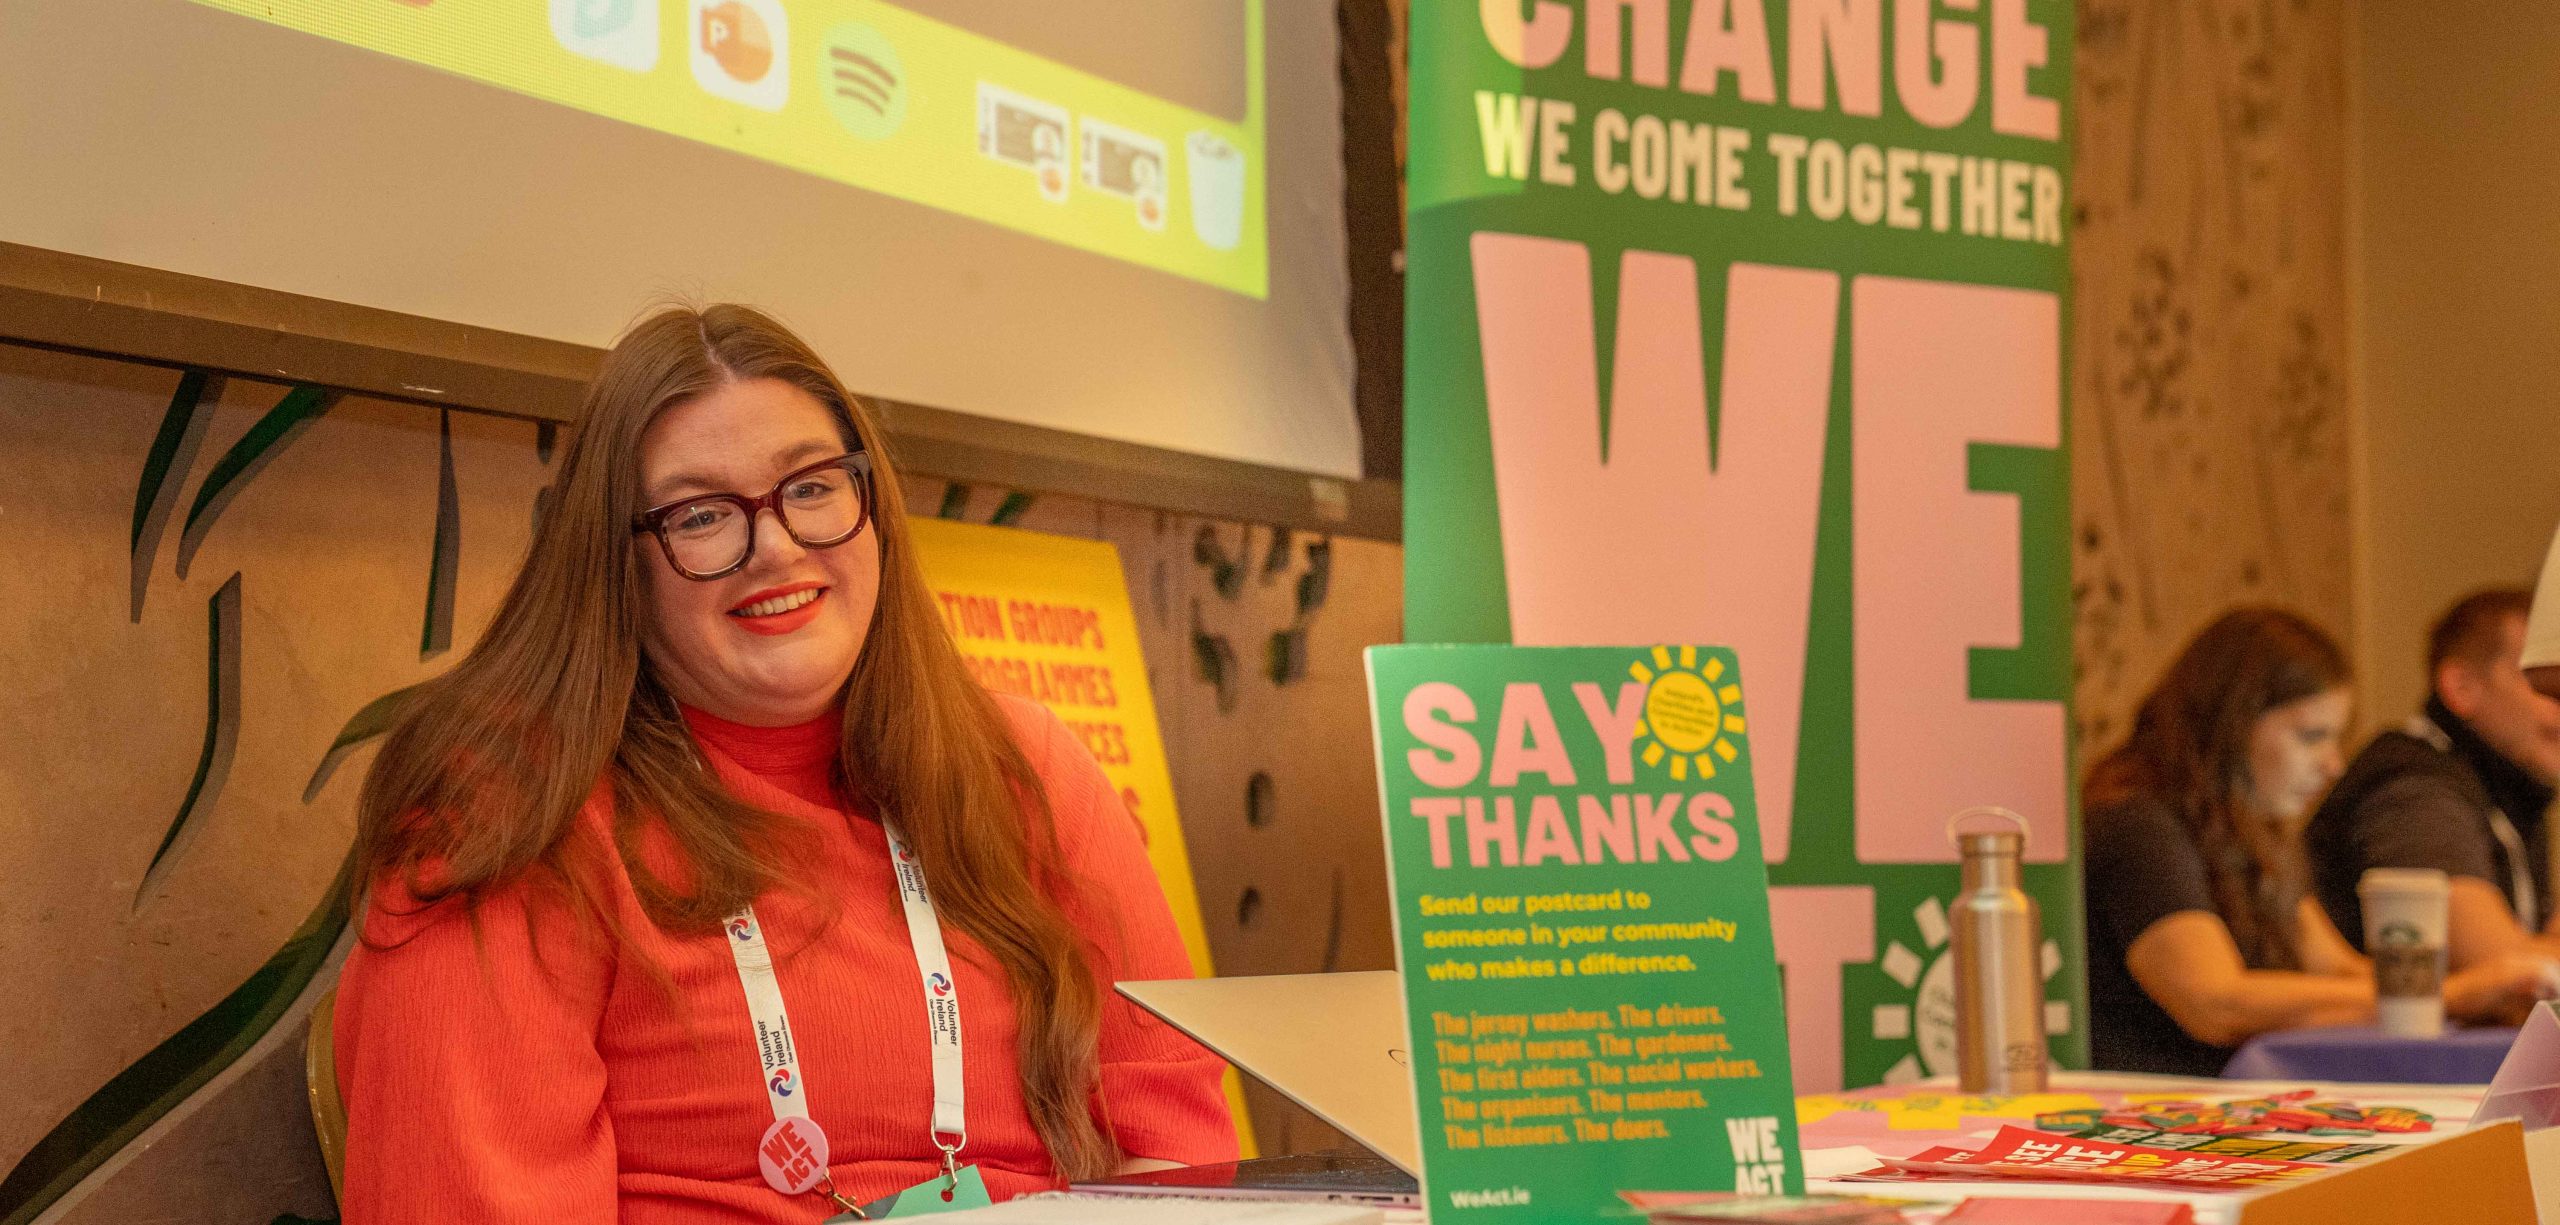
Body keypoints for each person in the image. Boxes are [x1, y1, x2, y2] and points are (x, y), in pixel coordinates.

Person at [332, 304, 1237, 1223]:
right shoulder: (508, 816)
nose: (775, 547)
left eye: (810, 488)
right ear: (618, 563)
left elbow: (1184, 1155)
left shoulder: (1027, 764)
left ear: (871, 504)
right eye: (702, 514)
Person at [2082, 608, 2542, 1076]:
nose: (2333, 765)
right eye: (2311, 737)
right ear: (2231, 726)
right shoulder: (2139, 825)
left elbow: (2336, 967)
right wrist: (2448, 996)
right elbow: (2214, 1002)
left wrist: (2475, 997)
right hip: (2150, 1121)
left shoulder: (2246, 831)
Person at [2307, 590, 2560, 977]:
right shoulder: (2412, 785)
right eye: (2547, 686)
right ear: (2461, 688)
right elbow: (2510, 974)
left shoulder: (2511, 784)